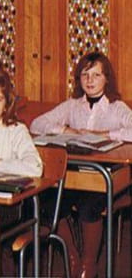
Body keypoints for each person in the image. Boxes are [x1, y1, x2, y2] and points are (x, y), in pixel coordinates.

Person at [30, 52, 132, 278]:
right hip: (73, 176)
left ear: (107, 79)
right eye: (85, 75)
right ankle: (72, 258)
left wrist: (106, 134)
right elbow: (37, 124)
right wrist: (67, 130)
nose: (90, 80)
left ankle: (88, 265)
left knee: (88, 206)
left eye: (96, 75)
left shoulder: (117, 107)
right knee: (48, 202)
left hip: (104, 178)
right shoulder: (72, 105)